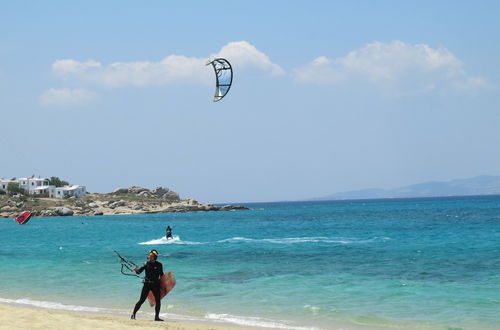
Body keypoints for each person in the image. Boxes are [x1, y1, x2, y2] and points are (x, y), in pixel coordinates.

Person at [131, 249, 164, 321]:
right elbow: (139, 272)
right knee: (141, 300)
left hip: (156, 285)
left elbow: (162, 275)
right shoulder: (146, 263)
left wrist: (163, 286)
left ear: (154, 257)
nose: (149, 256)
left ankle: (157, 317)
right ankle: (133, 314)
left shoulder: (159, 265)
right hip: (147, 284)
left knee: (158, 301)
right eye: (149, 255)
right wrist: (136, 270)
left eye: (151, 255)